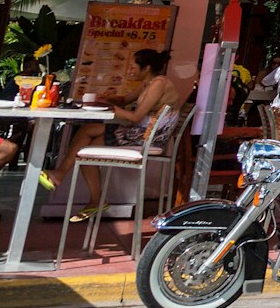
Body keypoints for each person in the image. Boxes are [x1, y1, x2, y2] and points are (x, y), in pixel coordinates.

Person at [45, 48, 179, 214]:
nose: (130, 70)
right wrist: (107, 99)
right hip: (141, 132)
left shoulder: (159, 84)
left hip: (148, 137)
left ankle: (60, 174)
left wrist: (109, 107)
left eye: (133, 67)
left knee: (88, 130)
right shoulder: (149, 83)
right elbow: (124, 100)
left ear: (146, 68)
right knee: (86, 151)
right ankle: (95, 199)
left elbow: (135, 117)